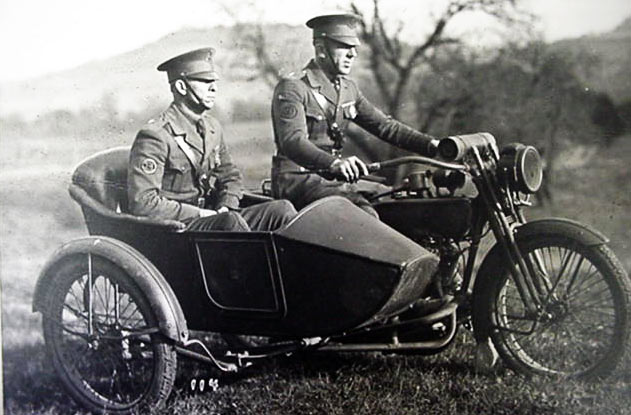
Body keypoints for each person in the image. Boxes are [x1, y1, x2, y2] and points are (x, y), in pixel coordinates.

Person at [271, 13, 440, 217]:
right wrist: (333, 163)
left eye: (354, 48)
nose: (353, 54)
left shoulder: (348, 89)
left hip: (332, 180)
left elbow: (386, 127)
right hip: (298, 180)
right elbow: (293, 141)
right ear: (321, 49)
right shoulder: (293, 88)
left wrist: (434, 146)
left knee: (400, 202)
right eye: (344, 46)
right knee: (364, 216)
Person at [128, 47, 297, 231]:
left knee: (282, 209)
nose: (214, 88)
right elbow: (143, 203)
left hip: (213, 217)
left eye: (213, 81)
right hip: (178, 229)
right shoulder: (156, 135)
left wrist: (226, 205)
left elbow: (230, 176)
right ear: (181, 87)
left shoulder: (212, 128)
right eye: (204, 81)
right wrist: (200, 214)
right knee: (231, 223)